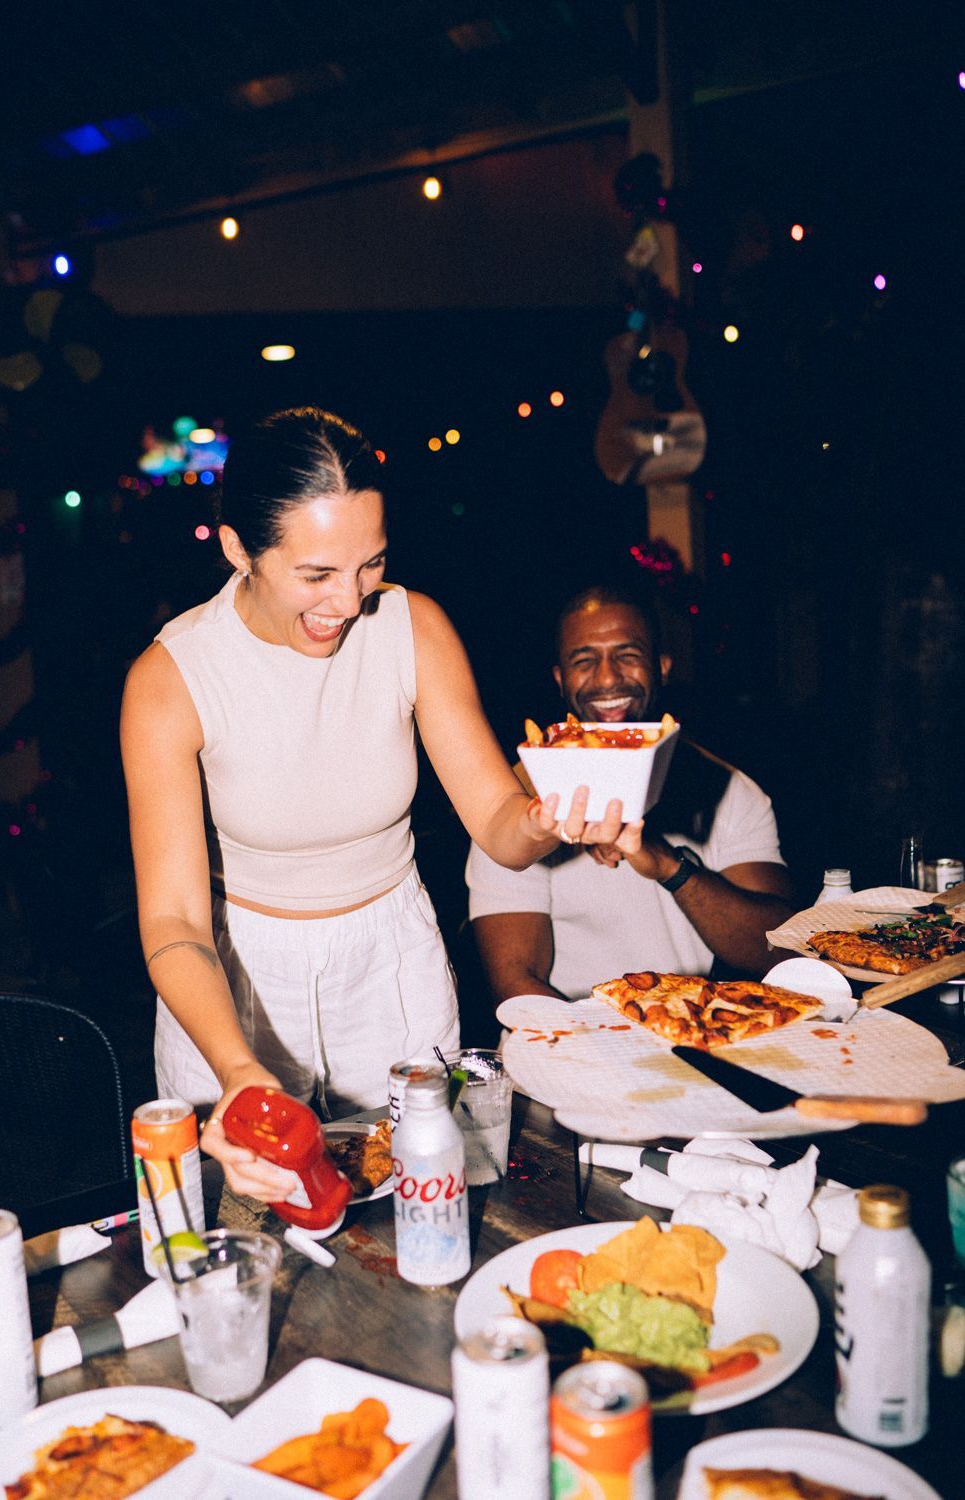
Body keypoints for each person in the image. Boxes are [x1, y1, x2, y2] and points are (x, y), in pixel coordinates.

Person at [120, 408, 641, 1199]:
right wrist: (236, 1067)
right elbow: (174, 922)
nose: (349, 600)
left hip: (389, 959)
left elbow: (501, 827)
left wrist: (548, 817)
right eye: (316, 574)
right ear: (237, 549)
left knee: (424, 1203)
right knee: (250, 1219)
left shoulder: (412, 626)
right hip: (232, 979)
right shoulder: (170, 679)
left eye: (370, 564)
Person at [466, 581, 795, 1004]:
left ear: (662, 667)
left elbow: (780, 950)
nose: (607, 677)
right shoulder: (513, 803)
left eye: (628, 655)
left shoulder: (726, 787)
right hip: (566, 1035)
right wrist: (613, 1041)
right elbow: (516, 982)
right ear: (560, 679)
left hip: (688, 1030)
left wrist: (668, 865)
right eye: (584, 660)